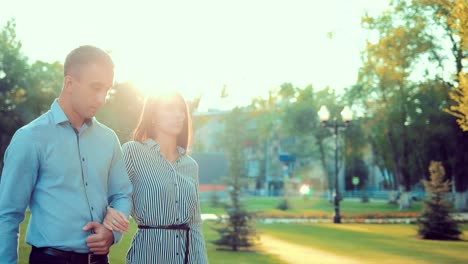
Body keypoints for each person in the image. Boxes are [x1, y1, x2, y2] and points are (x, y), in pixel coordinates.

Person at [0, 45, 132, 264]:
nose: (101, 98)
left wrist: (111, 232)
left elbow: (122, 194)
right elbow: (7, 215)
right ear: (69, 83)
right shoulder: (30, 138)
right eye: (95, 87)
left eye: (106, 89)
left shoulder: (108, 139)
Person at [104, 91, 208, 263]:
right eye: (170, 108)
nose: (179, 115)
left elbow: (195, 223)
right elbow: (112, 195)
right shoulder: (133, 152)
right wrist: (108, 211)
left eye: (182, 110)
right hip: (148, 255)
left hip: (187, 258)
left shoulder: (191, 166)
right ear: (153, 116)